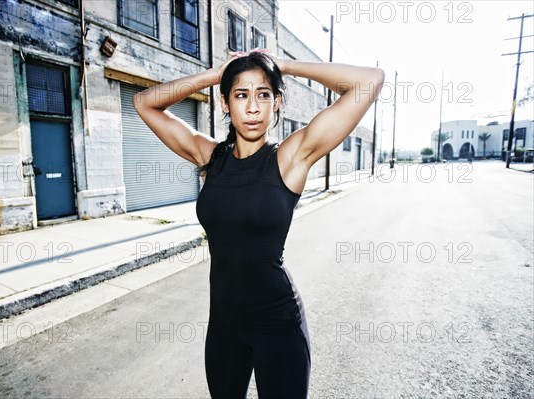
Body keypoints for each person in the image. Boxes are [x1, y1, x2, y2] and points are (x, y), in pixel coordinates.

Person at [134, 50, 384, 398]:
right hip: (224, 324)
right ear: (225, 103)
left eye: (263, 94)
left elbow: (369, 81)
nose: (252, 107)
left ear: (276, 102)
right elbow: (144, 102)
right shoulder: (211, 157)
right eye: (241, 95)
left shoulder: (291, 157)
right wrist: (215, 74)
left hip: (277, 325)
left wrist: (283, 66)